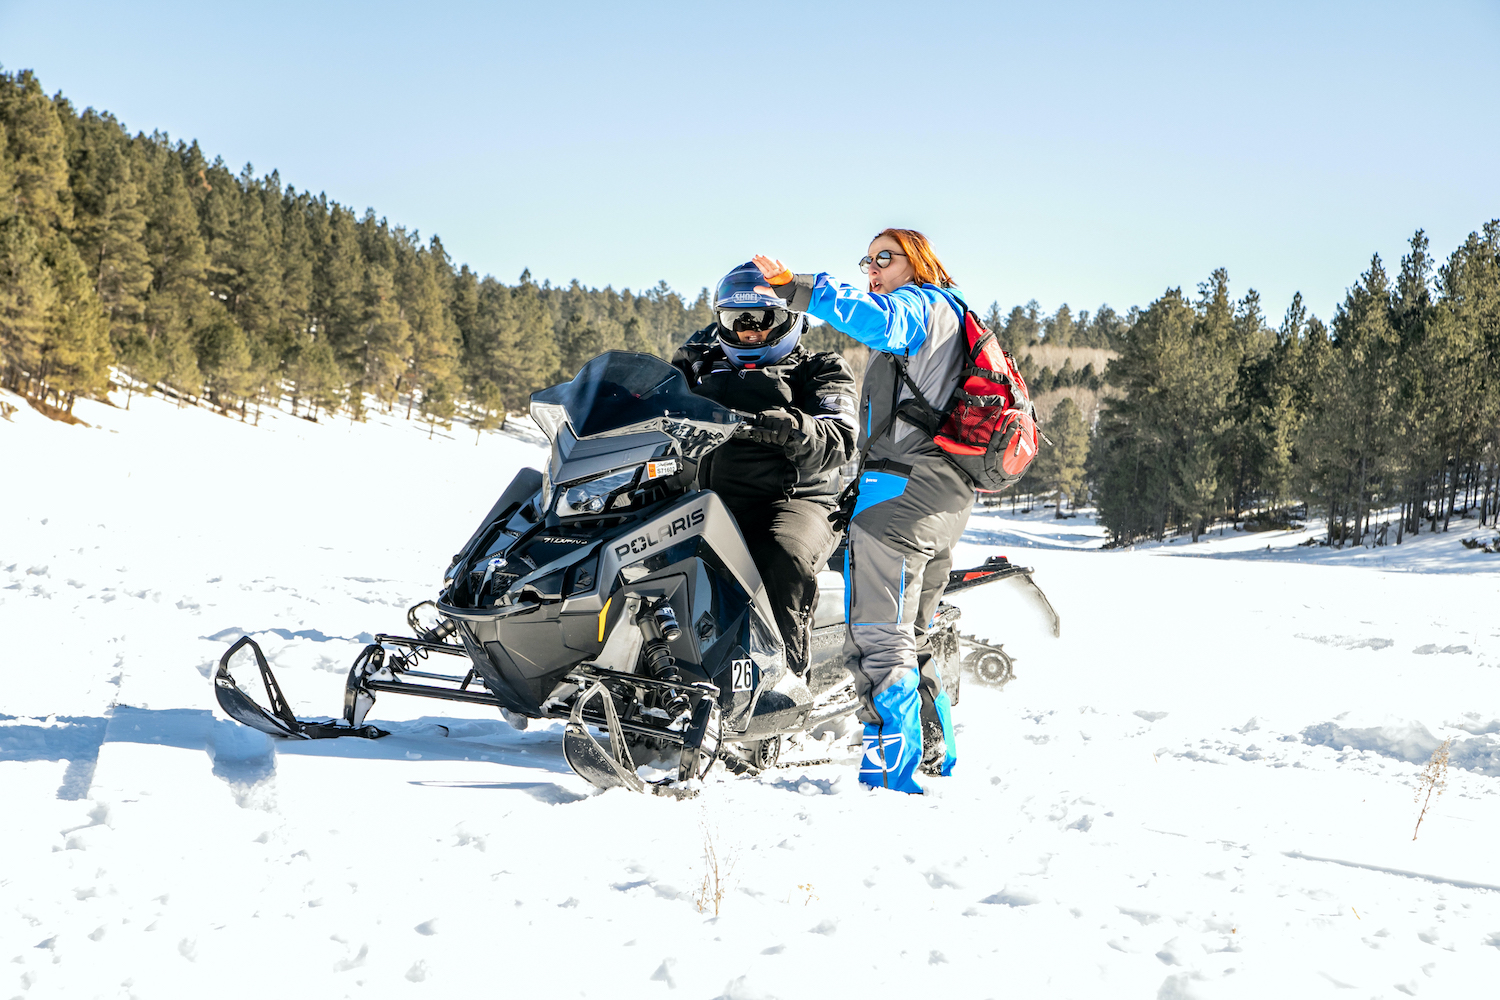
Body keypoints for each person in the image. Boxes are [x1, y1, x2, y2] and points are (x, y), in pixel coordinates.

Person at [751, 230, 972, 794]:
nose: (872, 268)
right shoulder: (957, 318)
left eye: (884, 258)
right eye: (867, 260)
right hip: (944, 498)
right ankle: (934, 759)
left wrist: (796, 288)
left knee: (878, 638)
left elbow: (871, 318)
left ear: (917, 262)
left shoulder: (919, 305)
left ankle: (888, 780)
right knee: (911, 636)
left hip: (900, 498)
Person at [670, 262, 858, 677]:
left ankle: (785, 677)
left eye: (762, 318)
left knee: (780, 555)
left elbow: (840, 437)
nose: (749, 331)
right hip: (707, 502)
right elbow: (649, 397)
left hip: (796, 502)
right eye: (737, 320)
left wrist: (796, 427)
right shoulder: (698, 365)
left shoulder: (820, 369)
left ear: (789, 319)